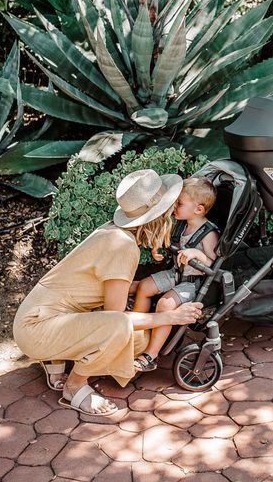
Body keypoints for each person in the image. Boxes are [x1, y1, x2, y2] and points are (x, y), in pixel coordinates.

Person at [13, 169, 203, 416]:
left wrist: (147, 286)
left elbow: (106, 286)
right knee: (131, 338)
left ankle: (55, 357)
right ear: (158, 216)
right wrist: (171, 317)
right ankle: (75, 385)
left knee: (133, 337)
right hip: (37, 329)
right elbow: (115, 320)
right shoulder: (124, 247)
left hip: (38, 319)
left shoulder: (113, 232)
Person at [132, 177, 219, 372]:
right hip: (176, 273)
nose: (174, 207)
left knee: (165, 304)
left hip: (193, 282)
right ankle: (138, 332)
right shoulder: (182, 223)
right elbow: (167, 239)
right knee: (144, 286)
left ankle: (151, 355)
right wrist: (157, 247)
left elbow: (214, 265)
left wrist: (197, 254)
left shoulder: (208, 233)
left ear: (198, 209)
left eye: (179, 203)